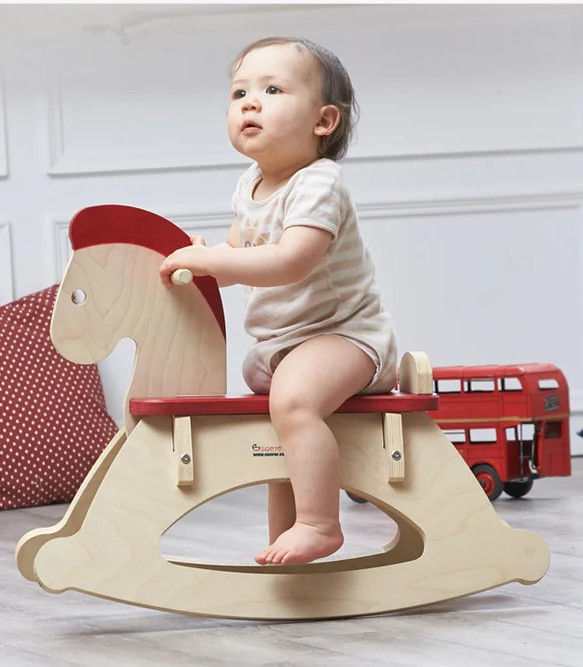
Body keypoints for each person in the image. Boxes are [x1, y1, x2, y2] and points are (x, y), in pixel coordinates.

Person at [159, 36, 398, 566]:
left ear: (323, 122)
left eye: (272, 89)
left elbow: (291, 260)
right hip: (287, 344)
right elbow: (240, 254)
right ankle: (284, 541)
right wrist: (203, 260)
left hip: (346, 336)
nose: (249, 101)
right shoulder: (250, 185)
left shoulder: (320, 182)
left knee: (290, 403)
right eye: (239, 91)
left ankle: (319, 524)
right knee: (277, 416)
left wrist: (215, 262)